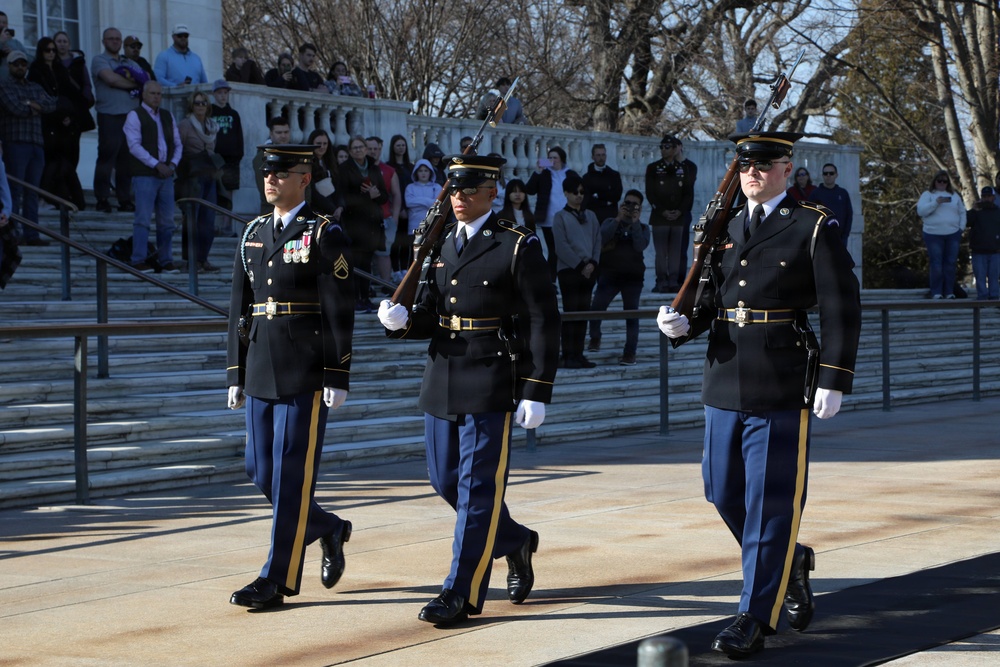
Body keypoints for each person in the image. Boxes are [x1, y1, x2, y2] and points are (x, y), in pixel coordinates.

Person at [657, 131, 862, 659]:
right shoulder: (721, 225)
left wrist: (834, 376)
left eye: (765, 165)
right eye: (746, 165)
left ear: (786, 169)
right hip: (724, 373)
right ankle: (788, 560)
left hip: (781, 375)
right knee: (721, 491)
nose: (753, 173)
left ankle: (754, 614)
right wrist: (683, 324)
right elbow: (708, 296)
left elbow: (841, 305)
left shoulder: (812, 225)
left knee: (770, 501)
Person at [377, 154, 559, 627]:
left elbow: (543, 319)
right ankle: (515, 540)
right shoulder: (437, 242)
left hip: (490, 375)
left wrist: (537, 388)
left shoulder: (516, 245)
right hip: (443, 372)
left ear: (491, 193)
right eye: (453, 190)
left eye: (468, 190)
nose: (457, 198)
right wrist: (402, 322)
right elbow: (432, 311)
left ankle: (461, 590)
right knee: (445, 481)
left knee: (478, 489)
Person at [226, 144, 355, 610]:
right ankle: (326, 527)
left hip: (305, 367)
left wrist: (337, 373)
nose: (271, 180)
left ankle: (274, 579)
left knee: (291, 477)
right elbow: (239, 306)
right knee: (259, 469)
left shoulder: (324, 233)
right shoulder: (254, 232)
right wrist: (234, 369)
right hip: (260, 361)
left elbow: (340, 308)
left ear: (305, 179)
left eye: (282, 173)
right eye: (267, 172)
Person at [123, 80, 181, 273]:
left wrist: (172, 164)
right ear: (144, 95)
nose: (157, 97)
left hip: (166, 176)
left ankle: (165, 259)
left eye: (159, 94)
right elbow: (134, 146)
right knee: (143, 219)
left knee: (167, 222)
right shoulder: (134, 115)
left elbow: (177, 143)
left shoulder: (167, 116)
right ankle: (138, 259)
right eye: (153, 93)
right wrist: (156, 164)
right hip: (145, 175)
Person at [0, 50, 56, 246]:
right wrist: (34, 106)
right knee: (14, 189)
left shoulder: (35, 86)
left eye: (23, 64)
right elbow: (15, 108)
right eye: (17, 64)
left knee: (32, 190)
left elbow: (51, 104)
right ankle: (12, 233)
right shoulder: (4, 86)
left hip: (36, 143)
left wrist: (31, 104)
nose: (21, 67)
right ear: (9, 66)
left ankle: (32, 234)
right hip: (15, 143)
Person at [28, 36, 91, 211]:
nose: (51, 53)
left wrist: (71, 115)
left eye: (53, 50)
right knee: (52, 160)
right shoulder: (35, 70)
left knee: (66, 161)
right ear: (41, 52)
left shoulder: (59, 69)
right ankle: (49, 197)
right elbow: (40, 98)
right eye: (47, 50)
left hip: (65, 122)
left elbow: (72, 93)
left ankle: (70, 200)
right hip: (47, 122)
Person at [588, 190, 650, 366]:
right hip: (610, 274)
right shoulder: (610, 222)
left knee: (632, 316)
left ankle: (630, 353)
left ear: (640, 207)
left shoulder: (644, 228)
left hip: (633, 278)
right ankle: (595, 338)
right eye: (627, 203)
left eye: (634, 205)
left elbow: (640, 246)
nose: (630, 207)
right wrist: (617, 219)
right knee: (596, 308)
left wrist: (635, 222)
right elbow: (600, 238)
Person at [553, 173, 601, 368]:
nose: (579, 195)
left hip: (589, 271)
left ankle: (579, 354)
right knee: (571, 313)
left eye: (582, 192)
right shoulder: (560, 217)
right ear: (566, 193)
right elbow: (561, 246)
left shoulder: (591, 216)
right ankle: (568, 355)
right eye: (575, 192)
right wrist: (581, 266)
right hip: (569, 271)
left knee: (584, 314)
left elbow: (597, 240)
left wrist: (593, 264)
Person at [91, 27, 140, 213]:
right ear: (104, 41)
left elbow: (146, 78)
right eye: (111, 39)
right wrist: (134, 84)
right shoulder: (99, 60)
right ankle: (102, 198)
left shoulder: (130, 62)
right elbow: (111, 80)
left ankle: (124, 199)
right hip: (109, 115)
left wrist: (133, 81)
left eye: (118, 39)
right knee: (107, 158)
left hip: (131, 117)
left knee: (126, 162)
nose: (115, 42)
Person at [338, 135, 388, 312]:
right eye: (355, 148)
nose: (358, 150)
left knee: (367, 262)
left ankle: (365, 298)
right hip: (354, 224)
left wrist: (375, 194)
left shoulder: (374, 168)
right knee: (355, 262)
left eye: (361, 147)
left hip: (373, 224)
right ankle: (355, 299)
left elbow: (384, 196)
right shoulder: (344, 169)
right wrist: (368, 196)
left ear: (366, 149)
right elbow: (345, 197)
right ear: (350, 151)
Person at [645, 134, 696, 292]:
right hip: (660, 217)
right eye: (662, 147)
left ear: (675, 149)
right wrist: (663, 211)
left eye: (667, 147)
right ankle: (661, 281)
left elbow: (688, 193)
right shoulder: (653, 168)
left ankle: (673, 281)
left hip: (678, 217)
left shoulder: (684, 168)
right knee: (661, 253)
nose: (663, 150)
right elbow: (650, 192)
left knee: (675, 252)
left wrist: (679, 211)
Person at [177, 89, 221, 272]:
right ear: (191, 105)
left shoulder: (212, 126)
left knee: (208, 220)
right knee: (192, 220)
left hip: (209, 175)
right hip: (192, 177)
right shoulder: (185, 125)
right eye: (197, 103)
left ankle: (203, 258)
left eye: (204, 103)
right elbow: (178, 149)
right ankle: (191, 260)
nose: (201, 106)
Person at [525, 145, 579, 280]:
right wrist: (538, 171)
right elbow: (529, 189)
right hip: (548, 219)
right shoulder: (544, 174)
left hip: (568, 219)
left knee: (568, 250)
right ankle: (551, 280)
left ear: (562, 159)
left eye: (555, 158)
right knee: (553, 251)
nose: (552, 160)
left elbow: (581, 192)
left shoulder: (570, 174)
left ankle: (567, 277)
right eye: (550, 158)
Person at [917, 170, 966, 299]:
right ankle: (936, 291)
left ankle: (949, 291)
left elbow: (962, 212)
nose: (942, 183)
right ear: (934, 181)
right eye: (939, 181)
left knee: (950, 263)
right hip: (933, 234)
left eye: (945, 181)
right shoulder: (927, 195)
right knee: (936, 263)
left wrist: (961, 228)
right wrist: (936, 202)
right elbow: (921, 211)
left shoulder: (955, 195)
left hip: (953, 234)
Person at [367, 135, 402, 291]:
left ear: (380, 149)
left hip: (386, 219)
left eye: (376, 148)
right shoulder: (358, 169)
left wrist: (394, 218)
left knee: (384, 254)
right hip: (364, 220)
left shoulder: (389, 170)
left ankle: (385, 285)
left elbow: (396, 195)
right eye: (370, 148)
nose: (373, 151)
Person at [210, 79, 244, 213]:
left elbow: (239, 136)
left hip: (231, 159)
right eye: (219, 93)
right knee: (213, 191)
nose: (223, 96)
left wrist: (238, 156)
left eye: (225, 93)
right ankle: (214, 223)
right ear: (214, 94)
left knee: (228, 191)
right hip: (214, 158)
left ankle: (226, 223)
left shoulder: (234, 114)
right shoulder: (210, 113)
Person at [402, 158, 441, 265]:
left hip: (432, 225)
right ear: (416, 172)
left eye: (426, 170)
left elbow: (438, 204)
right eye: (420, 171)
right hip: (415, 226)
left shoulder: (437, 187)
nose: (423, 173)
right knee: (415, 254)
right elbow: (409, 202)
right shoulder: (410, 188)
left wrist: (419, 202)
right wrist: (429, 202)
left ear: (430, 172)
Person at [809, 163, 854, 247]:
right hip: (821, 238)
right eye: (825, 173)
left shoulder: (843, 193)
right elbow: (809, 215)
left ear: (836, 175)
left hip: (840, 238)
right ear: (822, 175)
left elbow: (849, 214)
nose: (828, 175)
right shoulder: (815, 194)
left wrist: (845, 235)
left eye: (831, 173)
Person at [967, 186, 1000, 301]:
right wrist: (973, 209)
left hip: (995, 251)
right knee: (980, 277)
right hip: (978, 251)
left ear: (993, 197)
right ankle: (982, 297)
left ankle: (994, 297)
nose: (986, 199)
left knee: (994, 277)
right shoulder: (976, 211)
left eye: (988, 196)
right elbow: (966, 222)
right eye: (984, 196)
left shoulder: (998, 212)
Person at [386, 134, 413, 275]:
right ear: (393, 147)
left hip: (411, 211)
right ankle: (396, 270)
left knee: (407, 242)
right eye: (398, 145)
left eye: (403, 145)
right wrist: (400, 208)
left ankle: (405, 268)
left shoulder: (411, 167)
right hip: (395, 210)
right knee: (395, 241)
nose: (401, 148)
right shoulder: (389, 166)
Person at [252, 116, 291, 210]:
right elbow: (264, 187)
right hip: (271, 209)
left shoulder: (294, 153)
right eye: (279, 132)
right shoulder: (262, 156)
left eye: (286, 132)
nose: (283, 136)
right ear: (271, 134)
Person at [307, 128, 344, 219]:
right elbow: (313, 193)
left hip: (335, 210)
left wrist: (340, 207)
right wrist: (333, 209)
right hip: (318, 212)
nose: (322, 147)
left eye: (325, 143)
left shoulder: (331, 162)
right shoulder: (307, 164)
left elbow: (338, 187)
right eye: (318, 144)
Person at [581, 143, 623, 223]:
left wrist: (598, 195)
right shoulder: (586, 178)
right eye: (598, 155)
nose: (601, 158)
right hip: (593, 218)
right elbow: (587, 199)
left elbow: (617, 196)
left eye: (603, 155)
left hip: (611, 217)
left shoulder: (614, 175)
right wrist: (606, 202)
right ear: (593, 157)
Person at [0, 11, 26, 80]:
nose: (2, 25)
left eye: (4, 23)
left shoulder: (15, 43)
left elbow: (30, 60)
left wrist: (14, 53)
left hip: (15, 85)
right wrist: (1, 42)